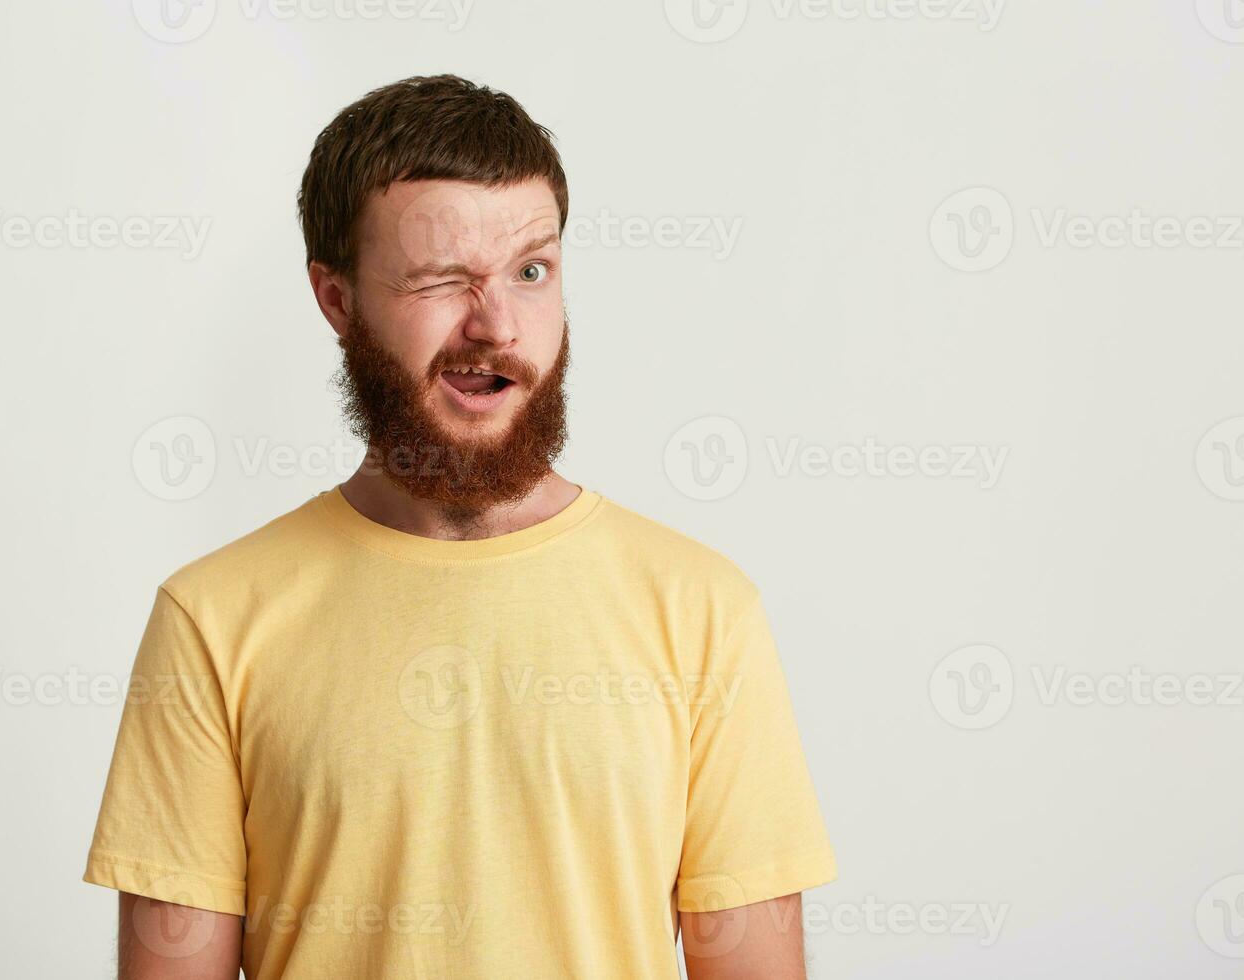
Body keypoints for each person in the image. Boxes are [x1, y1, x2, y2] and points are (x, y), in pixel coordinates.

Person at [83, 73, 837, 980]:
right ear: (337, 300)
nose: (497, 325)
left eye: (531, 271)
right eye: (442, 281)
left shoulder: (703, 609)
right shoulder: (213, 619)